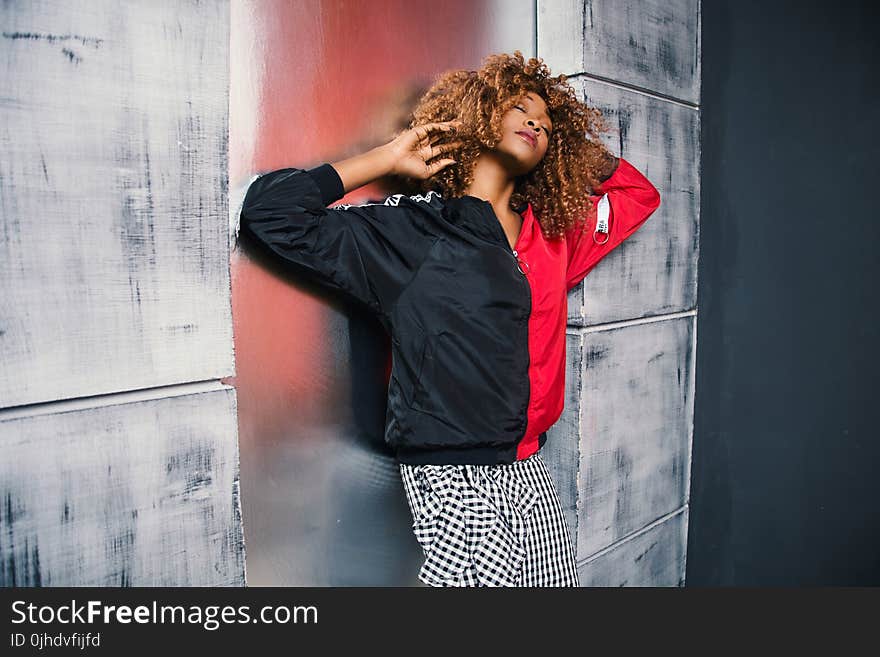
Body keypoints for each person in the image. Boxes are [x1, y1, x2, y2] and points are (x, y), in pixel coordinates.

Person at [237, 51, 661, 587]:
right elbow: (269, 214)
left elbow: (637, 194)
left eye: (547, 124)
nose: (535, 121)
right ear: (478, 114)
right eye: (518, 107)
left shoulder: (554, 239)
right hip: (453, 471)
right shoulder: (414, 231)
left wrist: (573, 148)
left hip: (529, 466)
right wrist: (386, 158)